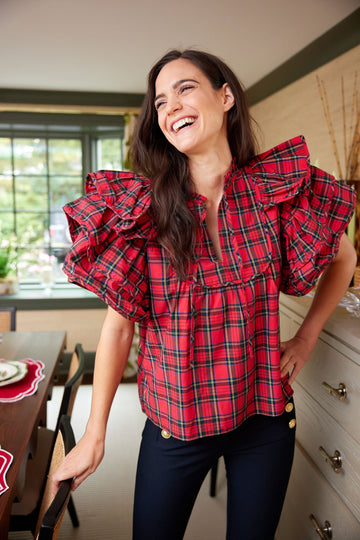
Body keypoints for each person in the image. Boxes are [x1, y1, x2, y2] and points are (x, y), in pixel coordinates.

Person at [53, 49, 357, 539]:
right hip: (174, 426)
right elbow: (118, 327)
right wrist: (94, 434)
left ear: (226, 96)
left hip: (263, 421)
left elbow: (344, 258)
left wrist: (305, 339)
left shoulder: (275, 189)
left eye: (185, 88)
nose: (170, 106)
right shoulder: (141, 209)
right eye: (160, 101)